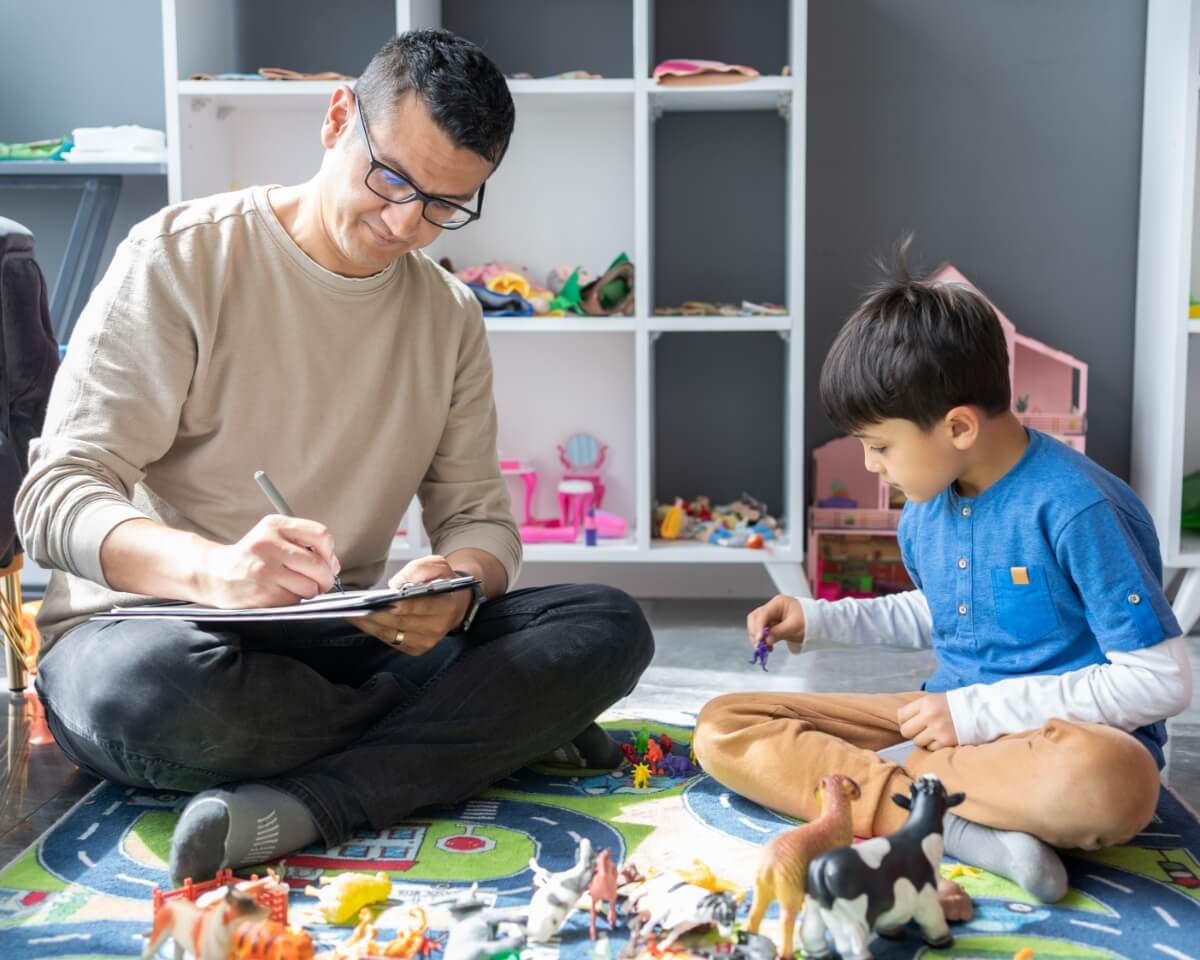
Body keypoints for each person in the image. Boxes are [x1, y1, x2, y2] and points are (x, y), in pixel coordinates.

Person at [16, 29, 653, 885]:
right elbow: (54, 497)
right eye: (391, 180)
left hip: (341, 633)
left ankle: (315, 801)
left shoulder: (449, 316)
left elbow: (479, 520)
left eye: (443, 205)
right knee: (149, 699)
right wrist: (219, 573)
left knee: (606, 625)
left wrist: (455, 580)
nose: (404, 224)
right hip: (156, 637)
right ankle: (485, 730)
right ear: (336, 119)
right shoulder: (179, 257)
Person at [693, 247, 1192, 911]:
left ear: (957, 426)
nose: (871, 466)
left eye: (881, 445)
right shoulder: (927, 508)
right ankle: (959, 827)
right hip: (941, 735)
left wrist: (972, 714)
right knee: (724, 725)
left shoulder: (1078, 508)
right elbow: (945, 612)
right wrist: (819, 618)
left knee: (1115, 781)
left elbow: (1161, 681)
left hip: (1046, 749)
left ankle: (898, 796)